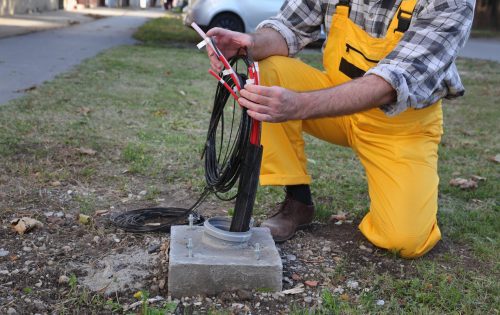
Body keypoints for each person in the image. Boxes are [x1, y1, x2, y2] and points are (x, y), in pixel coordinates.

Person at [205, 0, 474, 258]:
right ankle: (298, 201)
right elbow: (288, 26)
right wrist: (250, 43)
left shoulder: (451, 3)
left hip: (401, 125)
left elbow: (394, 80)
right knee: (266, 70)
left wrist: (298, 104)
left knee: (404, 241)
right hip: (335, 103)